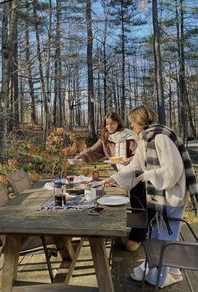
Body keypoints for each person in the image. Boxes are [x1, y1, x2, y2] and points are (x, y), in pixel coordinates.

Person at [103, 105, 198, 288]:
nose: (131, 124)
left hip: (170, 196)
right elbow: (134, 166)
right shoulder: (146, 139)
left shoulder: (160, 137)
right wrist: (114, 178)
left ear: (139, 121)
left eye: (132, 121)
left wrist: (150, 175)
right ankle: (171, 270)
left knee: (165, 236)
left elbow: (174, 170)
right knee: (162, 235)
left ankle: (161, 273)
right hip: (158, 197)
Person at [75, 112, 147, 251]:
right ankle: (116, 230)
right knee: (113, 202)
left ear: (118, 123)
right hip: (119, 175)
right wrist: (79, 158)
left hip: (136, 174)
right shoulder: (105, 139)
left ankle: (138, 237)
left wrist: (129, 160)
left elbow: (139, 155)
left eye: (112, 124)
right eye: (107, 124)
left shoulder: (130, 136)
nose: (109, 127)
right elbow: (92, 151)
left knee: (138, 204)